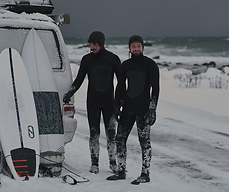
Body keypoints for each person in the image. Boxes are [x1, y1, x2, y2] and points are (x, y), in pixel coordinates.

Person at [63, 31, 121, 174]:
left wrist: (119, 102)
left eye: (95, 44)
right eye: (90, 44)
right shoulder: (87, 59)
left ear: (101, 43)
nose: (92, 47)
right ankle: (94, 163)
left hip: (109, 102)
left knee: (111, 134)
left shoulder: (113, 59)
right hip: (93, 101)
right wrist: (71, 92)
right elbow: (80, 78)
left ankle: (113, 163)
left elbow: (121, 81)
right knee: (94, 133)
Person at [106, 35, 159, 185]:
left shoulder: (150, 64)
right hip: (128, 107)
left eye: (138, 46)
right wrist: (117, 106)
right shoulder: (126, 65)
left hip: (143, 108)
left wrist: (152, 109)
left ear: (142, 47)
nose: (136, 49)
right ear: (129, 48)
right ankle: (121, 171)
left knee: (144, 141)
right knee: (120, 139)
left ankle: (145, 173)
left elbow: (156, 89)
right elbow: (121, 86)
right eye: (133, 46)